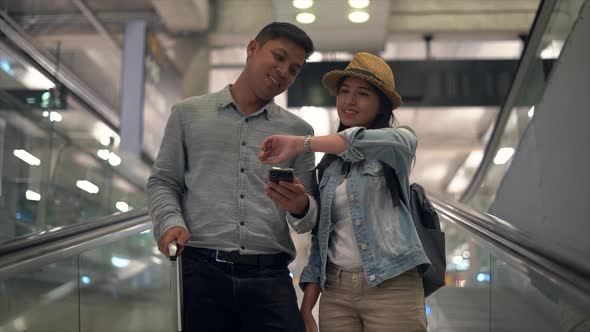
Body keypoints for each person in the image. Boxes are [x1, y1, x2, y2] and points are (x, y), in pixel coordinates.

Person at [146, 22, 318, 332]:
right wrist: (170, 222)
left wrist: (301, 206)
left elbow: (308, 220)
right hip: (199, 273)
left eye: (294, 69)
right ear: (252, 48)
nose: (283, 72)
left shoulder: (299, 133)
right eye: (278, 57)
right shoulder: (187, 114)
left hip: (270, 278)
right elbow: (163, 181)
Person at [258, 52, 430, 332]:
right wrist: (307, 304)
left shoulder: (398, 143)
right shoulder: (330, 166)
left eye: (362, 94)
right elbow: (322, 240)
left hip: (392, 282)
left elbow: (359, 142)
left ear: (381, 105)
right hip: (336, 292)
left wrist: (301, 144)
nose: (349, 100)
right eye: (344, 92)